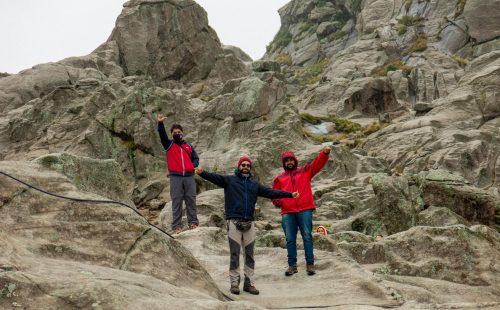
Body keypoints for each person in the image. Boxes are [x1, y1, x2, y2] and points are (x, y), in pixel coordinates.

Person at [195, 155, 299, 295]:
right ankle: (234, 283)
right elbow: (214, 177)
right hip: (233, 222)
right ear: (239, 166)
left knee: (249, 255)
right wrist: (202, 173)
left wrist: (290, 195)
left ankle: (249, 284)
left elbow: (271, 192)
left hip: (250, 223)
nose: (245, 167)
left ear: (250, 168)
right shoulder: (229, 180)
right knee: (234, 254)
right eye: (243, 165)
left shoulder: (254, 185)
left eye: (248, 165)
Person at [272, 146, 331, 276]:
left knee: (307, 236)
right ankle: (292, 266)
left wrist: (324, 153)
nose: (289, 162)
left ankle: (310, 264)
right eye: (286, 160)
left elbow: (317, 163)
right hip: (288, 212)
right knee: (290, 239)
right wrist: (282, 202)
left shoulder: (305, 171)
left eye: (291, 160)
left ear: (295, 161)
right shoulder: (279, 178)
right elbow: (274, 195)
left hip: (305, 210)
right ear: (284, 163)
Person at [157, 114, 200, 234]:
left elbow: (196, 158)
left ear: (182, 133)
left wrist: (192, 166)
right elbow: (162, 136)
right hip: (175, 177)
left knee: (191, 200)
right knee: (177, 201)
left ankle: (193, 223)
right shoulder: (169, 145)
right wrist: (160, 124)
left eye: (179, 132)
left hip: (189, 177)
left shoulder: (188, 146)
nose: (177, 133)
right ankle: (176, 226)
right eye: (175, 132)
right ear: (171, 134)